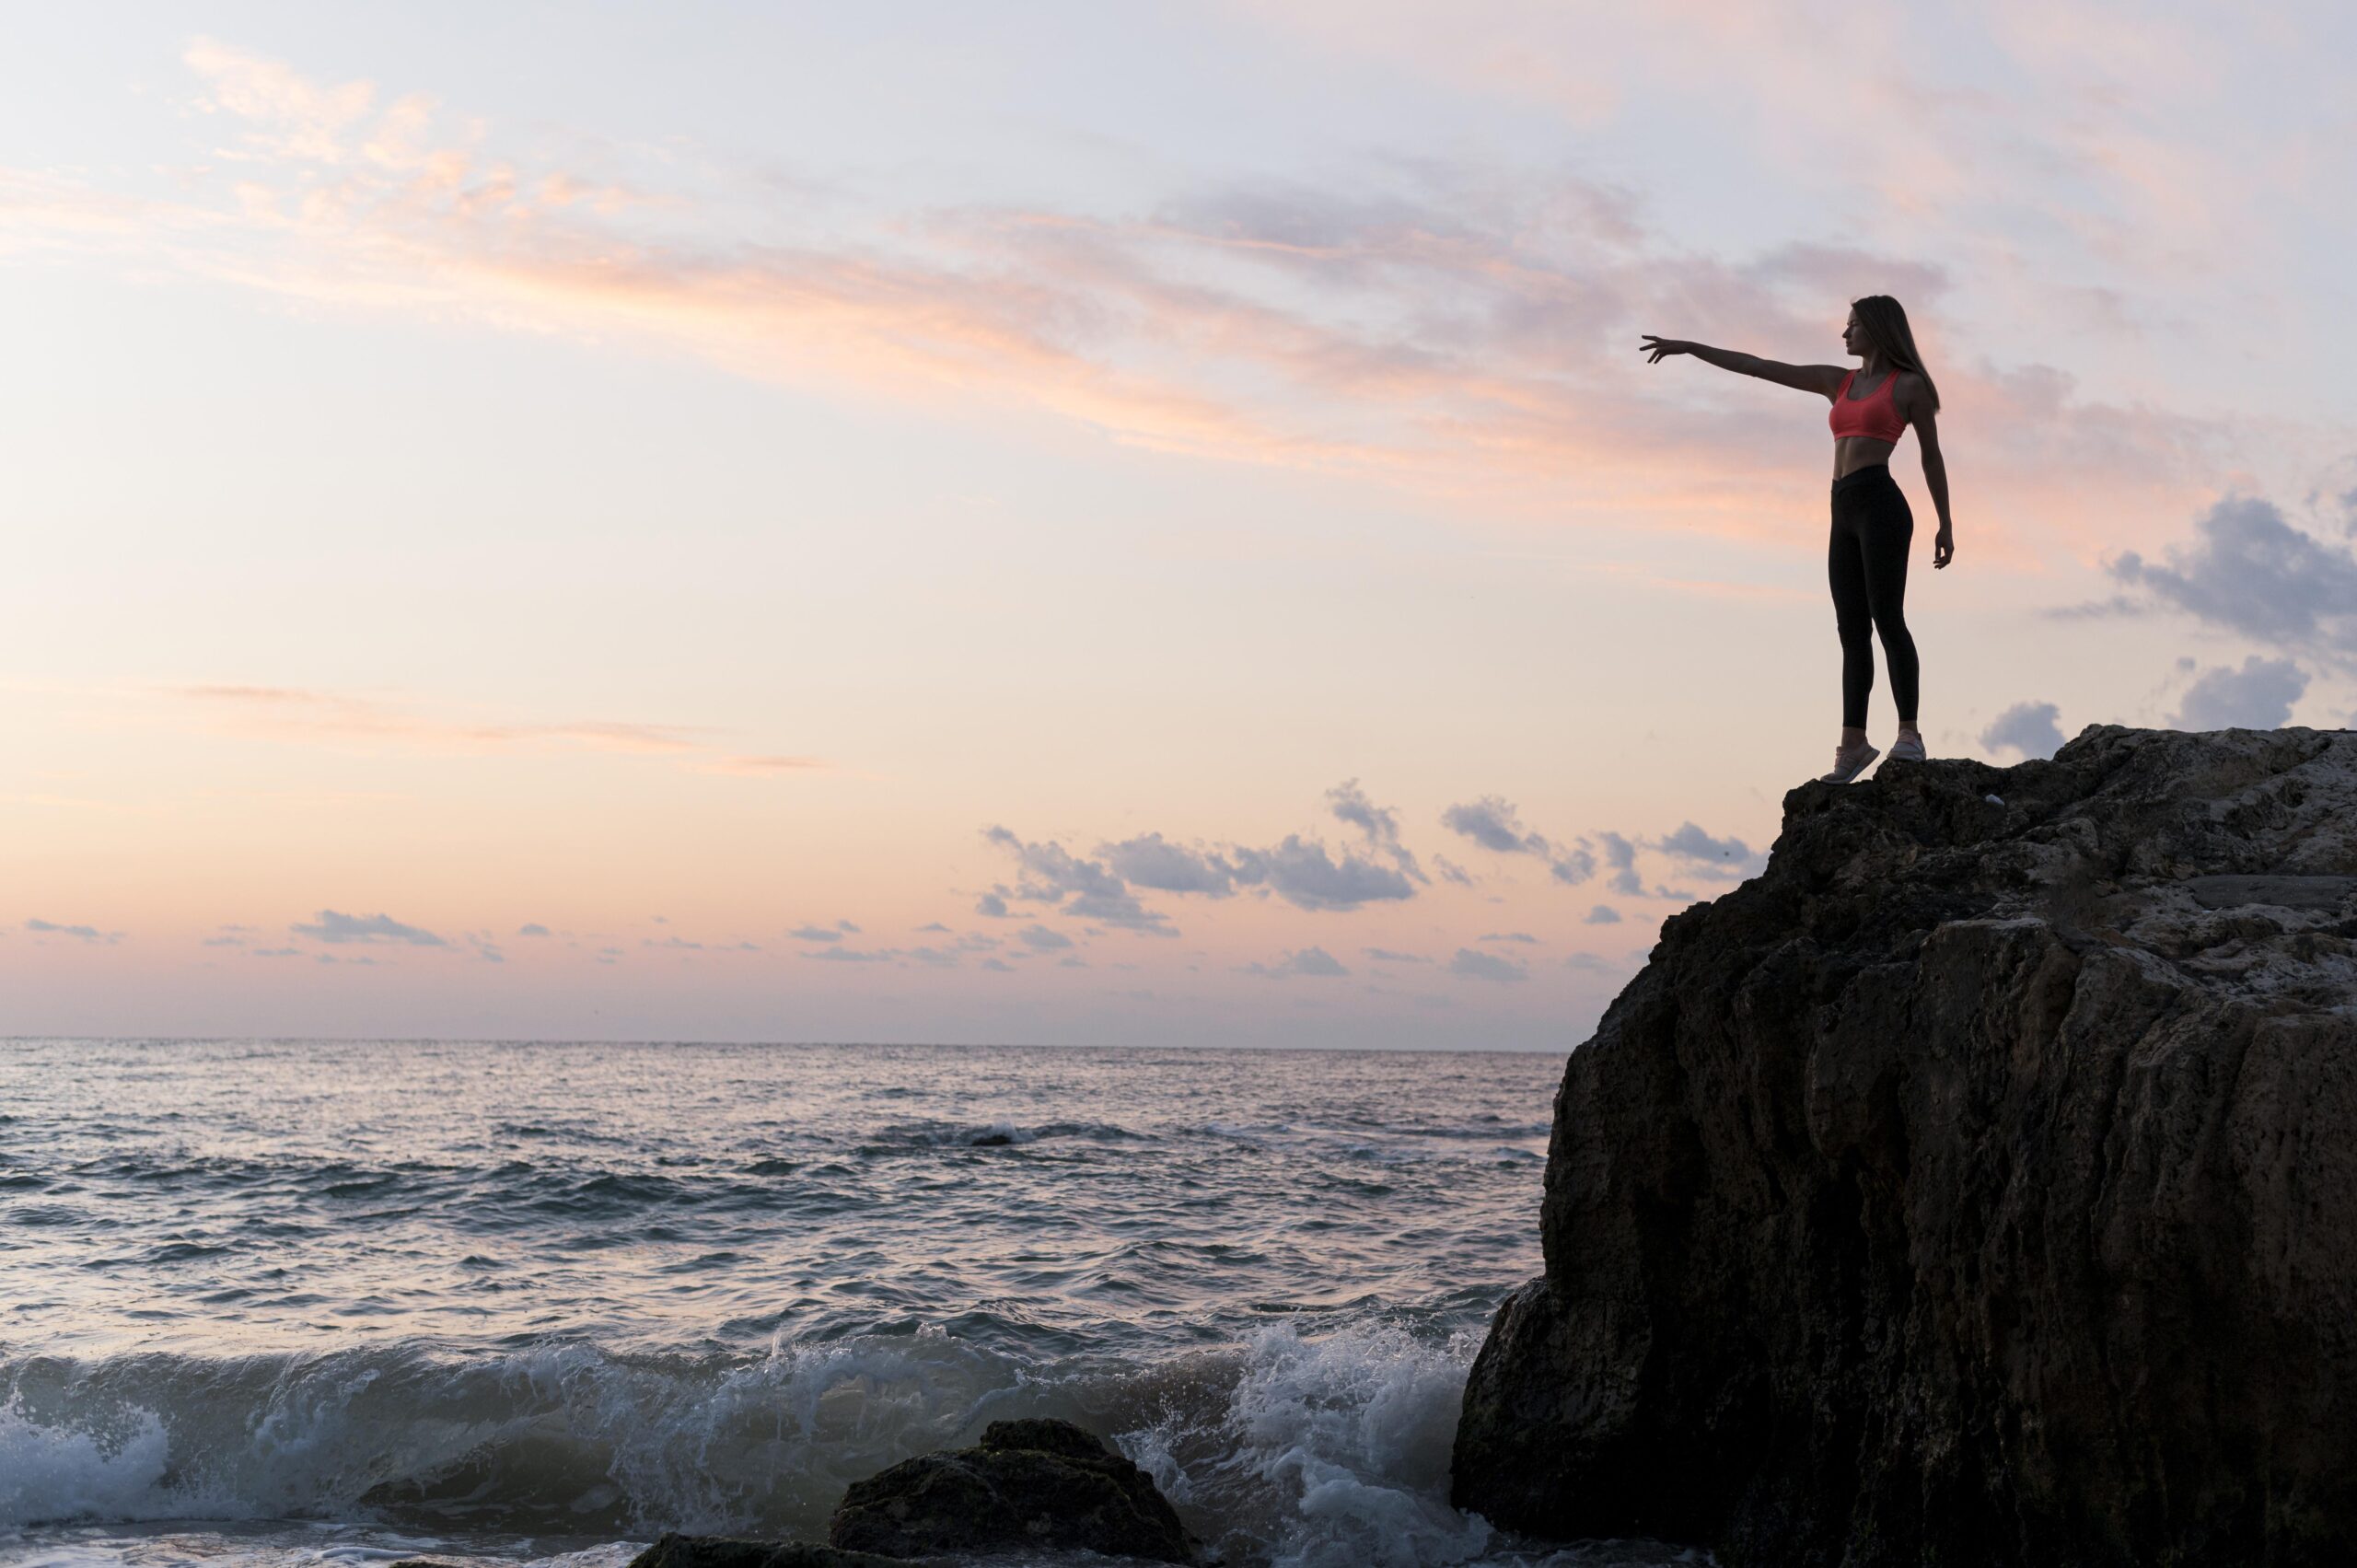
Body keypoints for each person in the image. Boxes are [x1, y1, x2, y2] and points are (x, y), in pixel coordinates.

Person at [1639, 298, 1953, 783]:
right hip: (1841, 507)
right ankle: (1853, 743)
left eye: (1852, 326)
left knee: (1887, 618)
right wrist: (1691, 348)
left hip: (1882, 506)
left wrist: (1945, 522)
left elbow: (1931, 457)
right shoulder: (1839, 382)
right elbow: (1759, 367)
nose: (1844, 334)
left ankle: (1909, 734)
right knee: (1851, 629)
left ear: (1876, 329)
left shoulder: (1907, 386)